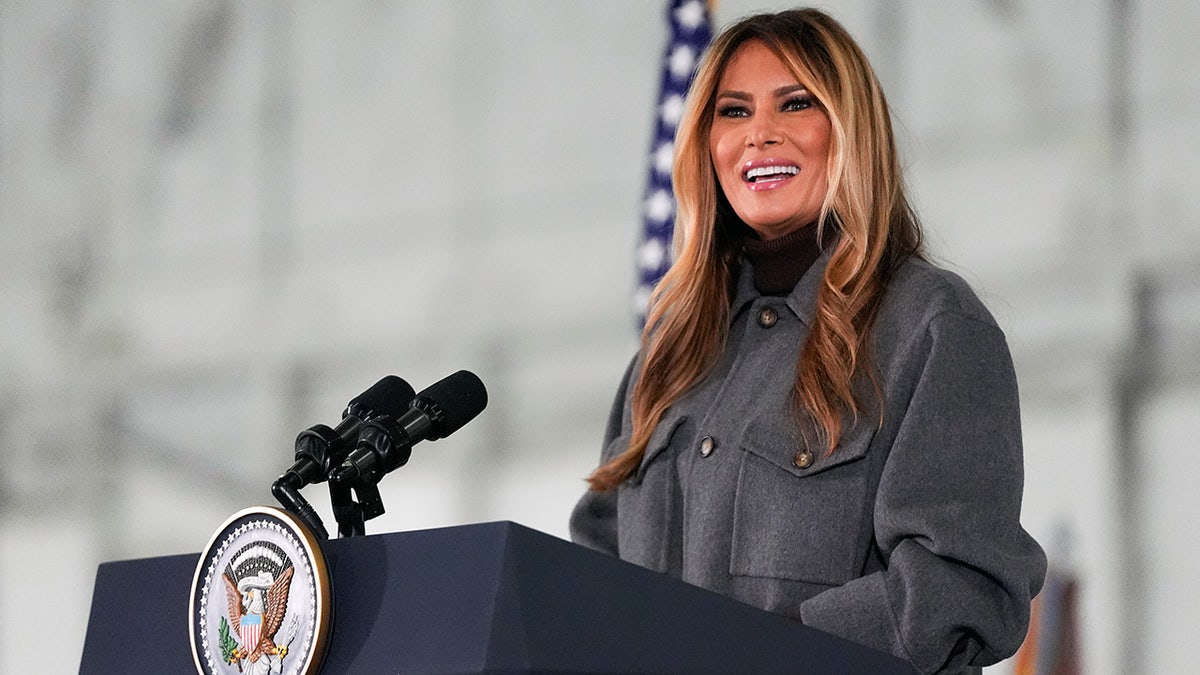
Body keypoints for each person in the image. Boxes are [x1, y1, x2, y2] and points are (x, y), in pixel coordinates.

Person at [570, 8, 1046, 674]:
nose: (759, 134)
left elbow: (958, 587)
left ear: (852, 131)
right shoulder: (669, 349)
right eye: (732, 113)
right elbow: (596, 567)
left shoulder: (931, 324)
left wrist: (761, 652)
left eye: (795, 104)